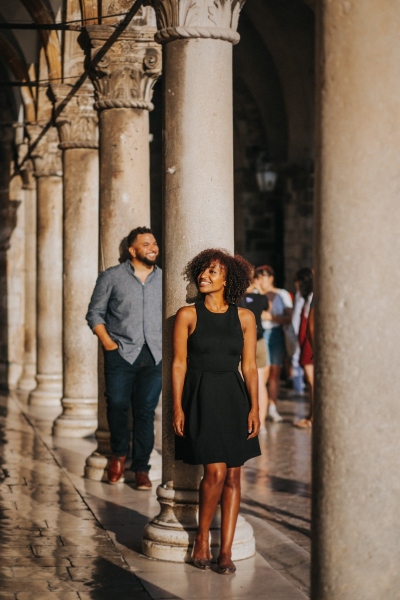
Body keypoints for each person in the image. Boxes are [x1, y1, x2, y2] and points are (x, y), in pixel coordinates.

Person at [172, 249, 261, 574]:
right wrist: (177, 406)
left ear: (228, 279)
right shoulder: (187, 315)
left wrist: (255, 407)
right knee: (215, 473)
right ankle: (201, 540)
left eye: (212, 272)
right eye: (202, 271)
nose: (204, 276)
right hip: (201, 396)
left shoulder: (245, 318)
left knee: (234, 476)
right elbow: (179, 363)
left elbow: (250, 367)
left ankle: (225, 551)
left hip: (233, 397)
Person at [86, 226, 162, 489]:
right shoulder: (111, 277)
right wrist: (108, 343)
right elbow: (94, 313)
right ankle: (118, 453)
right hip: (120, 353)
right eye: (146, 244)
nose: (153, 247)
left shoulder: (165, 279)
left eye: (154, 243)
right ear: (133, 250)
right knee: (117, 404)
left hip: (155, 355)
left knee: (145, 412)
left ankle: (141, 467)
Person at [255, 265, 293, 422]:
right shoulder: (254, 293)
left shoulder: (282, 294)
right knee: (261, 372)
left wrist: (271, 317)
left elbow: (289, 318)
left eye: (264, 276)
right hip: (259, 334)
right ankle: (259, 406)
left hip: (275, 333)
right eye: (259, 276)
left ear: (271, 278)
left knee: (275, 372)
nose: (261, 280)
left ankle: (272, 406)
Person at [239, 272, 270, 433]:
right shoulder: (261, 299)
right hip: (259, 342)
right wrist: (260, 290)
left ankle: (244, 421)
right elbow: (268, 307)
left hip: (243, 343)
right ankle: (262, 423)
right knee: (260, 384)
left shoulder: (237, 299)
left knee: (241, 383)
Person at [293, 268, 313, 428]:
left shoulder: (312, 297)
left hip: (309, 343)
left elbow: (309, 324)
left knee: (312, 381)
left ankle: (312, 416)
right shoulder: (306, 297)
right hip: (305, 341)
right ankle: (311, 415)